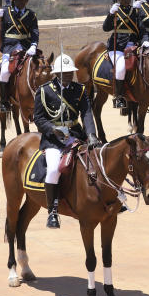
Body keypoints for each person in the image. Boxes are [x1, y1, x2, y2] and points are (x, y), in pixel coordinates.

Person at [32, 54, 99, 229]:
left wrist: (91, 134)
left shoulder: (80, 90)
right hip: (54, 139)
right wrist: (52, 130)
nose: (69, 75)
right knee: (54, 169)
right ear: (57, 74)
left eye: (71, 72)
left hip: (76, 135)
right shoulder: (45, 91)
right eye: (65, 73)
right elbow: (38, 118)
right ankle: (52, 211)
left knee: (96, 162)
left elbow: (86, 114)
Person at [0, 0, 40, 112]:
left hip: (26, 47)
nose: (22, 2)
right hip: (9, 48)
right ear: (14, 0)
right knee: (4, 72)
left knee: (41, 68)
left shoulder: (31, 15)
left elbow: (35, 32)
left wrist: (34, 45)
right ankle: (4, 101)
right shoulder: (5, 12)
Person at [102, 0, 140, 112]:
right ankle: (119, 97)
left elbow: (140, 29)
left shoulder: (134, 11)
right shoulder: (115, 11)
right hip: (117, 47)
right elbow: (106, 28)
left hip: (134, 46)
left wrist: (141, 10)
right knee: (121, 68)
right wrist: (111, 14)